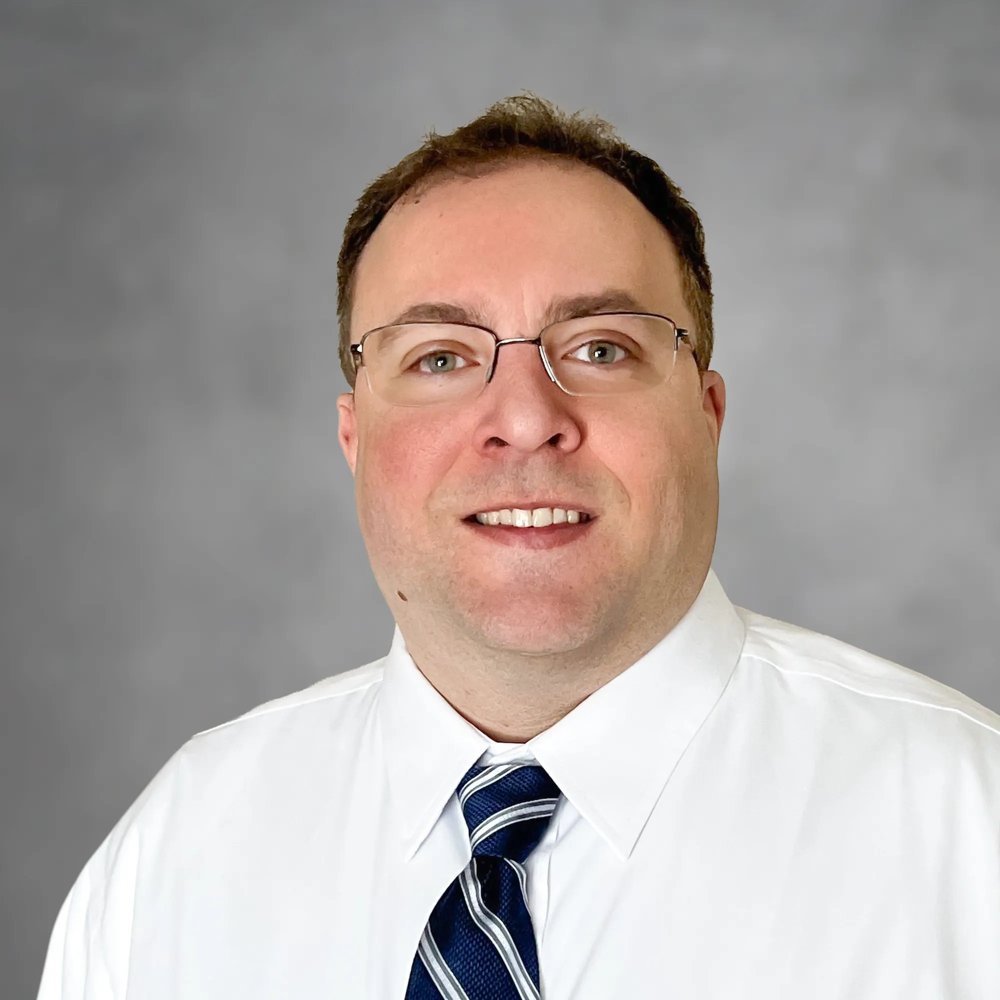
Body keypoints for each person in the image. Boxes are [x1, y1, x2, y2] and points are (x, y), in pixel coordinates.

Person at [38, 94, 1000, 1000]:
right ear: (354, 439)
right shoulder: (174, 859)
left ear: (707, 417)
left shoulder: (967, 829)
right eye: (440, 358)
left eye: (600, 348)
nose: (528, 419)